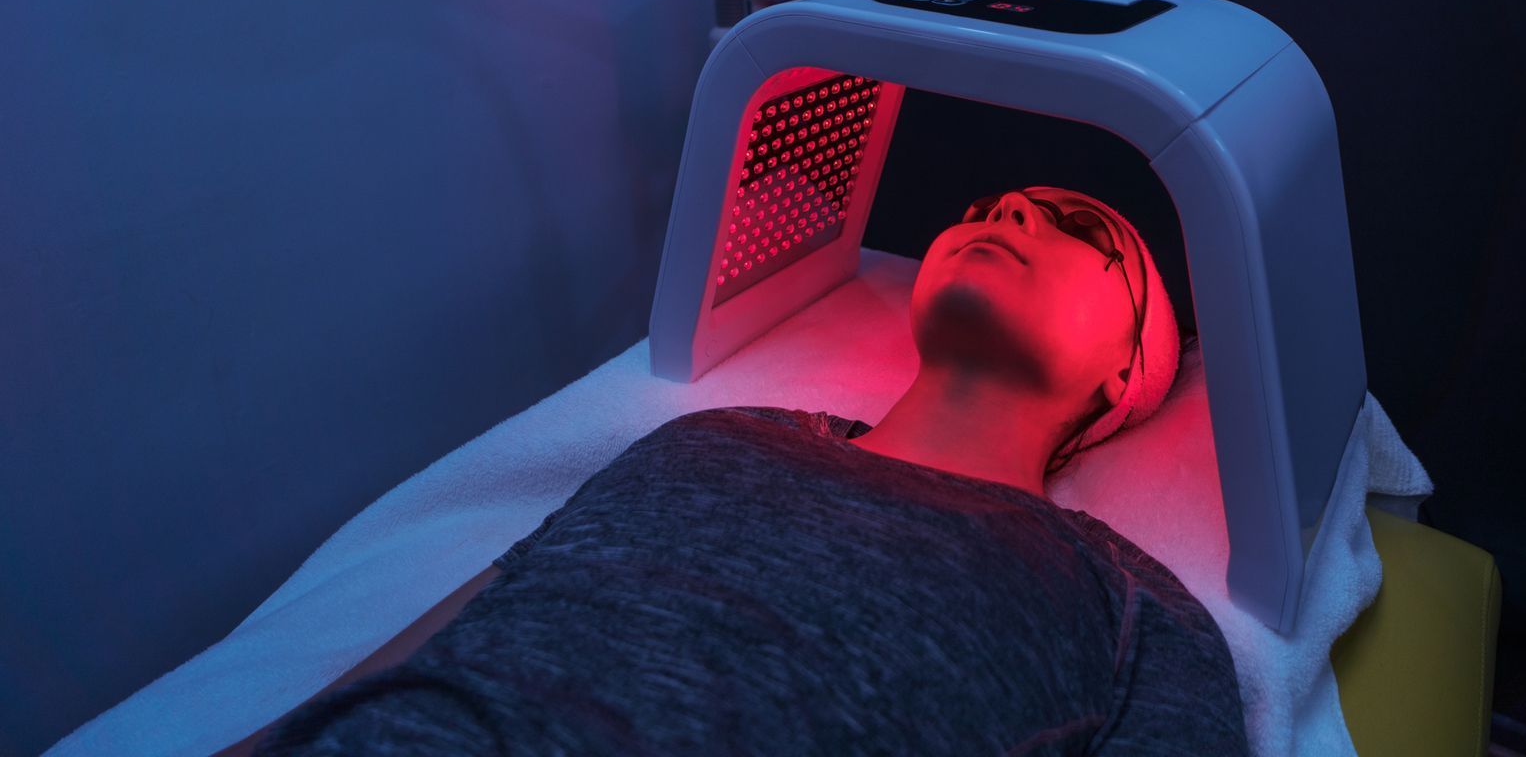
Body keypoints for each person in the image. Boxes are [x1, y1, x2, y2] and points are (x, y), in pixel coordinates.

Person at [225, 187, 1248, 755]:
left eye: (1075, 228)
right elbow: (443, 638)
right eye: (989, 205)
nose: (1008, 216)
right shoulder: (717, 435)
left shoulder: (1126, 604)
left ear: (1131, 368)